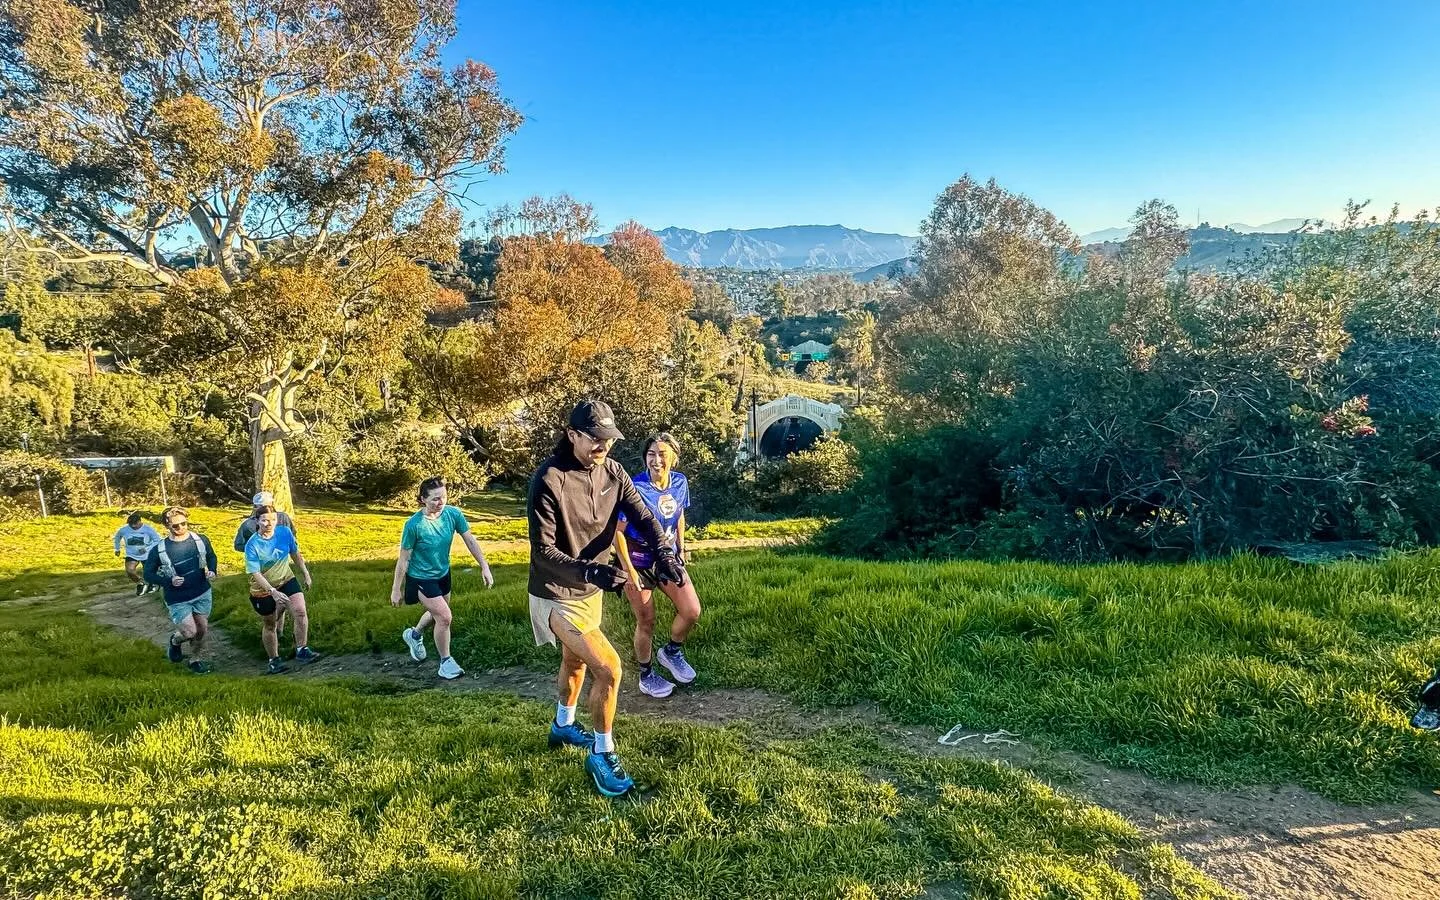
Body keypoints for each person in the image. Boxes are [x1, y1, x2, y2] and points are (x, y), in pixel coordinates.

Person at [528, 400, 684, 797]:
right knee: (610, 668)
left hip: (589, 587)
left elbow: (645, 519)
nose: (603, 446)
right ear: (572, 435)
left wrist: (665, 553)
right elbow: (543, 550)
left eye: (608, 439)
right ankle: (601, 753)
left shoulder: (613, 472)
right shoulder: (549, 480)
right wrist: (593, 571)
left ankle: (563, 725)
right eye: (594, 438)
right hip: (555, 591)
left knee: (575, 660)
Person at [613, 433, 702, 698]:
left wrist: (682, 549)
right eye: (651, 454)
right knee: (646, 622)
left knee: (691, 611)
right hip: (638, 564)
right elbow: (617, 532)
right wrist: (628, 571)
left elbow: (679, 516)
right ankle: (646, 675)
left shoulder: (680, 482)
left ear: (674, 457)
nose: (656, 460)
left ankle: (671, 653)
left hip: (668, 558)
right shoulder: (635, 488)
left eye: (662, 453)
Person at [390, 476, 494, 679]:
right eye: (435, 499)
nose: (441, 502)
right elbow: (403, 559)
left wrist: (484, 566)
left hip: (442, 574)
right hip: (421, 578)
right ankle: (446, 662)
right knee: (445, 617)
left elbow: (470, 540)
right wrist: (396, 589)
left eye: (444, 497)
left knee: (438, 614)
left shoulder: (453, 514)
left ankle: (414, 635)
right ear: (422, 499)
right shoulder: (414, 525)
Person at [245, 505, 321, 674]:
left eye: (272, 519)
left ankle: (302, 649)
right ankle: (274, 660)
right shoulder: (252, 545)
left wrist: (306, 573)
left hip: (286, 579)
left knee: (300, 611)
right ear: (257, 521)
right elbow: (255, 573)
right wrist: (272, 591)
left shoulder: (284, 532)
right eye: (264, 520)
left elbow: (295, 553)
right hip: (262, 589)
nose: (268, 523)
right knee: (270, 624)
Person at [142, 506, 218, 674]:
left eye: (184, 523)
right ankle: (175, 641)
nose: (181, 528)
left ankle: (195, 660)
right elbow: (148, 574)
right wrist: (168, 581)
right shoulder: (159, 549)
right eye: (176, 526)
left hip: (202, 592)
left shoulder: (200, 540)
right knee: (189, 631)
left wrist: (212, 570)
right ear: (167, 526)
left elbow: (212, 556)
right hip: (177, 597)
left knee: (202, 630)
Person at [113, 512, 162, 596]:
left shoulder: (148, 529)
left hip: (147, 554)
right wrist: (117, 549)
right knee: (130, 571)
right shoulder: (124, 529)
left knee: (149, 572)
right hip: (132, 554)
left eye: (135, 524)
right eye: (131, 524)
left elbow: (157, 540)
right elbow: (117, 537)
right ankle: (141, 583)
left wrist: (146, 549)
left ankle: (153, 584)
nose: (133, 526)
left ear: (140, 521)